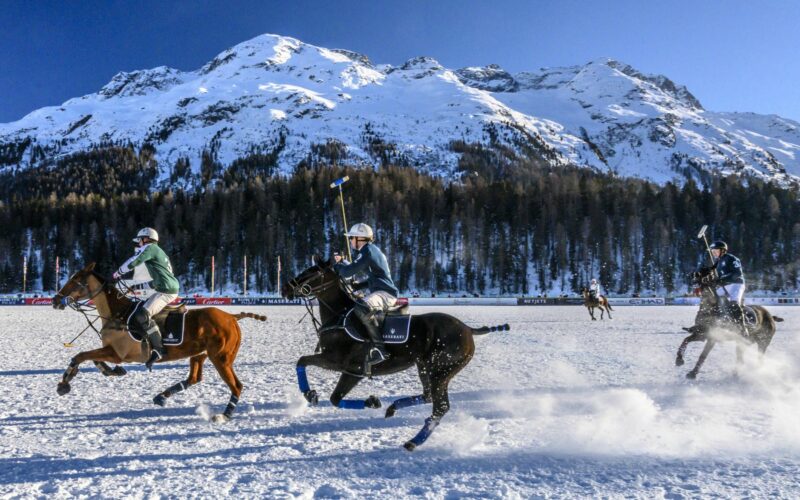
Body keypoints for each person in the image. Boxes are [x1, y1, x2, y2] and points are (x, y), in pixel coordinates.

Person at [333, 223, 398, 370]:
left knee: (362, 307)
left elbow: (347, 272)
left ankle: (380, 350)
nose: (350, 241)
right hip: (379, 290)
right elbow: (374, 278)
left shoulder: (367, 251)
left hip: (386, 294)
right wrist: (358, 286)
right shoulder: (370, 250)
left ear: (359, 238)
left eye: (351, 238)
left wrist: (338, 265)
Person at [112, 227, 180, 370]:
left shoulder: (150, 248)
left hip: (167, 291)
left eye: (140, 240)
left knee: (142, 314)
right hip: (164, 287)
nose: (139, 244)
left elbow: (134, 261)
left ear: (147, 239)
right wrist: (136, 287)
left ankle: (159, 349)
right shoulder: (157, 252)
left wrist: (118, 273)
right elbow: (155, 280)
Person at [708, 240, 748, 338]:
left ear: (723, 250)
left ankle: (742, 328)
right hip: (724, 285)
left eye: (715, 251)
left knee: (734, 303)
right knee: (711, 299)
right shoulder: (717, 262)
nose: (714, 253)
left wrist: (721, 279)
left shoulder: (732, 259)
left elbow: (737, 273)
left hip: (736, 284)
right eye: (712, 251)